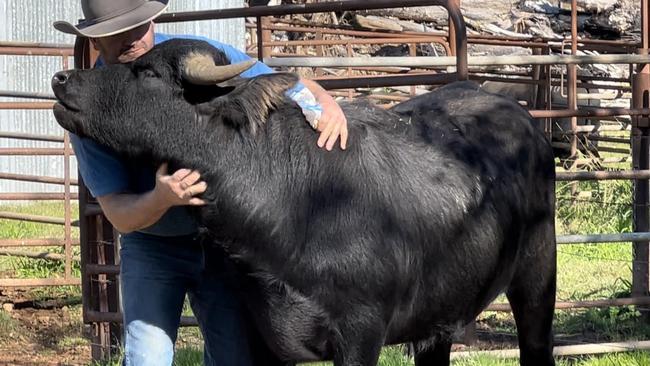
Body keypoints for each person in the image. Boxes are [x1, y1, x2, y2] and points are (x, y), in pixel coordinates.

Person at [53, 1, 349, 365]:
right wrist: (162, 198)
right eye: (116, 31)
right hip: (153, 246)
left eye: (139, 24)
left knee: (234, 359)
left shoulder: (190, 57)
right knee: (147, 358)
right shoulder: (89, 102)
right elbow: (118, 213)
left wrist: (325, 103)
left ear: (153, 19)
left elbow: (284, 83)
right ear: (96, 41)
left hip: (219, 246)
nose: (132, 38)